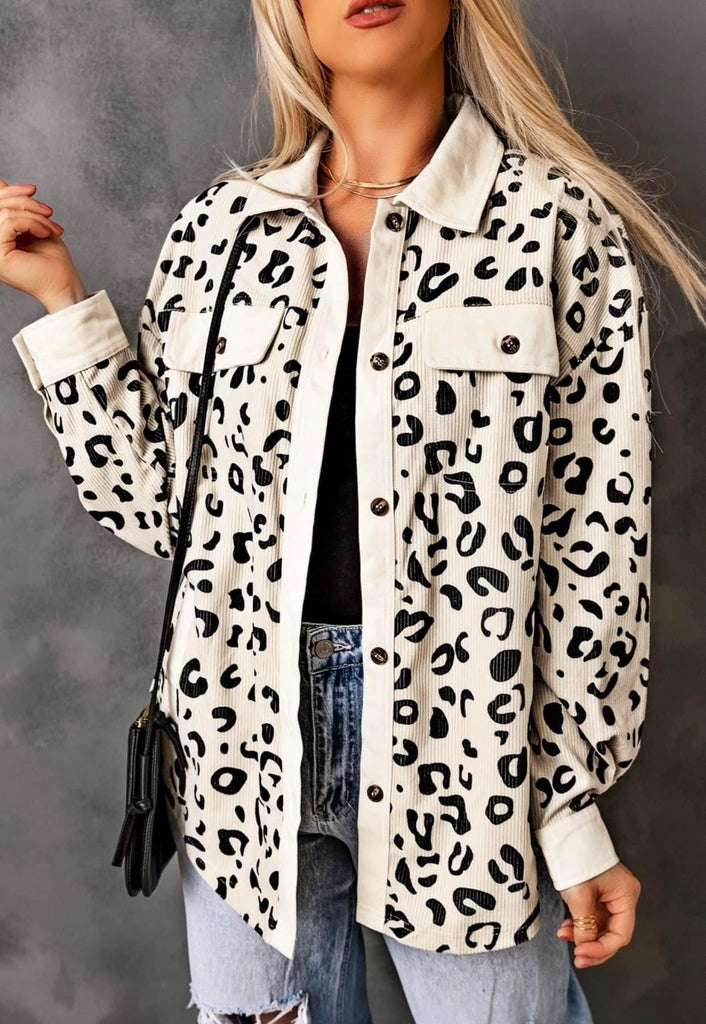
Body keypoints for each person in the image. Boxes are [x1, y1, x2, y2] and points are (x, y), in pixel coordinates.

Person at [3, 2, 705, 1022]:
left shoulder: (557, 226)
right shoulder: (223, 229)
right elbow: (160, 508)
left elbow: (597, 550)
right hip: (241, 745)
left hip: (469, 747)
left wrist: (569, 812)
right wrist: (60, 300)